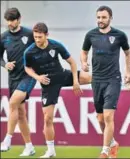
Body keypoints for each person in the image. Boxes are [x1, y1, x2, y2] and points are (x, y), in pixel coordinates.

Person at [23, 22, 92, 158]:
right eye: (35, 37)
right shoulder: (29, 52)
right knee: (48, 118)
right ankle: (50, 151)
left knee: (92, 78)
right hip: (48, 83)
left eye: (40, 37)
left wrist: (75, 81)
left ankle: (116, 84)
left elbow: (72, 62)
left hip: (62, 75)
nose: (37, 40)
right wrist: (38, 77)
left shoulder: (56, 45)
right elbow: (27, 68)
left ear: (46, 35)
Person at [80, 5, 130, 158]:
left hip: (113, 79)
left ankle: (105, 150)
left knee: (108, 116)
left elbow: (128, 54)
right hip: (96, 79)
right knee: (100, 118)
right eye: (98, 17)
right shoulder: (90, 35)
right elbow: (84, 52)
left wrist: (128, 72)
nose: (100, 20)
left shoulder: (119, 35)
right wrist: (83, 63)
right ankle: (112, 143)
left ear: (110, 18)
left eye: (104, 17)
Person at [0, 7, 36, 156]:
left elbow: (41, 48)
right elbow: (0, 58)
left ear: (19, 19)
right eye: (8, 21)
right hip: (13, 77)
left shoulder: (29, 34)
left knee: (13, 103)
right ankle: (29, 146)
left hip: (28, 75)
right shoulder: (3, 37)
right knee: (20, 113)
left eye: (12, 20)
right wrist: (5, 64)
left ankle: (7, 139)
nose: (10, 23)